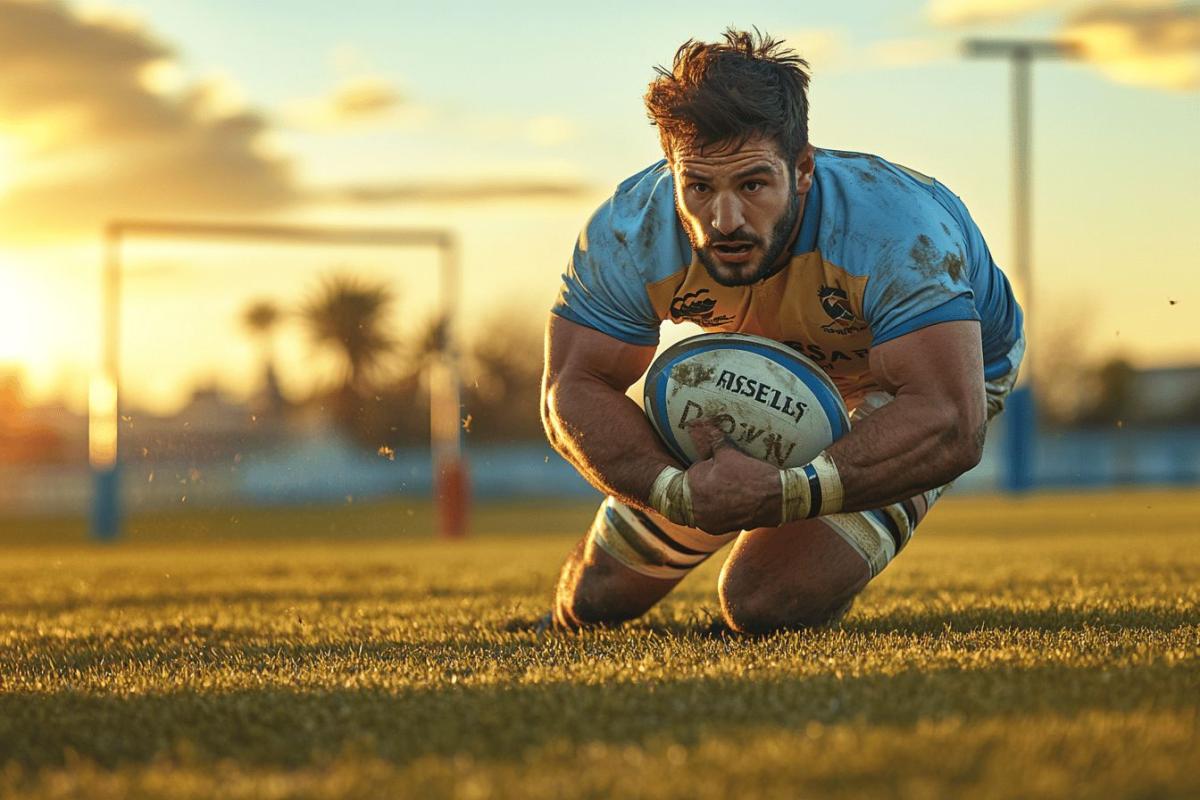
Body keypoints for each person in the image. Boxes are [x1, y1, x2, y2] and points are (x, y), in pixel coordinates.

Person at [541, 30, 1024, 634]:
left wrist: (791, 492)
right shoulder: (627, 232)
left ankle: (820, 570)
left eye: (752, 184)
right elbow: (570, 390)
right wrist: (675, 491)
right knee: (596, 598)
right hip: (771, 371)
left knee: (761, 601)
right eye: (698, 187)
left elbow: (951, 416)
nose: (725, 220)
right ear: (672, 174)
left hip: (914, 388)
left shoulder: (898, 232)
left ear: (801, 170)